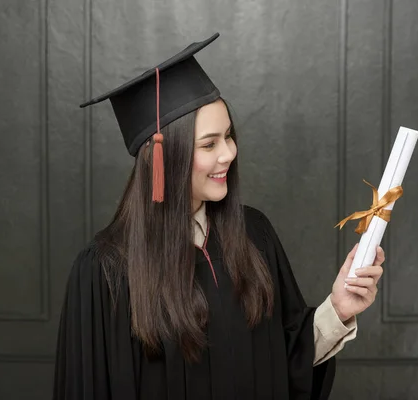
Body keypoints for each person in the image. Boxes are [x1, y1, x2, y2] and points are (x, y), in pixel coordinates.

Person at [52, 32, 385, 400]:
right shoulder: (105, 271)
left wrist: (338, 309)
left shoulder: (253, 235)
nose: (229, 153)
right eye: (209, 144)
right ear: (162, 158)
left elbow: (286, 366)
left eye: (229, 136)